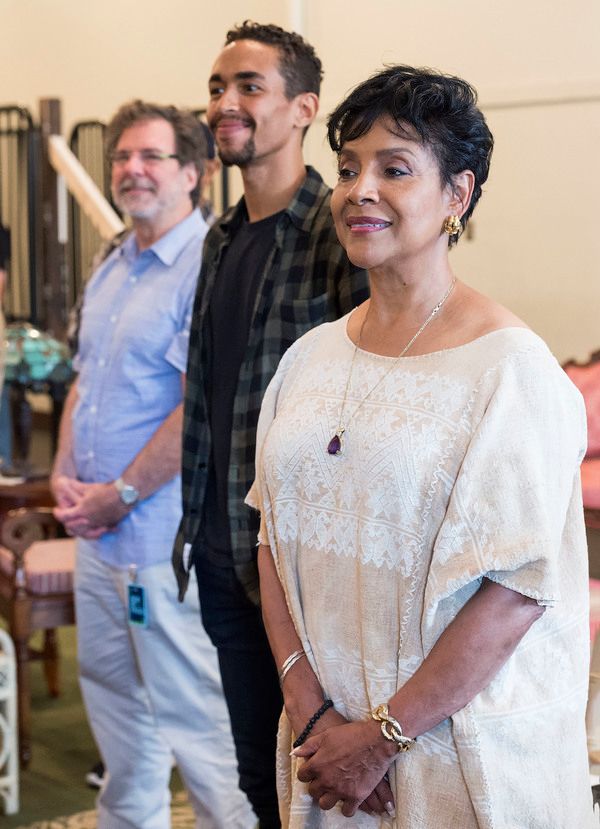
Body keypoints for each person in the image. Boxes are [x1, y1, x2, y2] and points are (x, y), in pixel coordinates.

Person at [247, 66, 593, 827]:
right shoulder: (309, 357)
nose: (359, 190)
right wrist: (310, 710)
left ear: (457, 194)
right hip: (326, 749)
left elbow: (516, 591)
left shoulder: (510, 372)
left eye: (395, 169)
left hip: (456, 753)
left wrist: (381, 737)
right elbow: (272, 534)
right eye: (347, 169)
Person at [173, 21, 369, 828]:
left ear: (303, 108)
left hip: (303, 564)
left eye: (249, 86)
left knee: (328, 786)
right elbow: (207, 397)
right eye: (217, 87)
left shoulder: (337, 231)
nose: (225, 103)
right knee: (262, 778)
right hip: (222, 549)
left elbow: (369, 398)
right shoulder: (220, 240)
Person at [51, 100, 253, 829]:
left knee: (196, 723)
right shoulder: (114, 263)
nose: (131, 169)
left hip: (158, 538)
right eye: (121, 156)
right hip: (98, 538)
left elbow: (196, 404)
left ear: (193, 173)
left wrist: (123, 492)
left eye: (151, 156)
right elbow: (84, 379)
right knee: (118, 721)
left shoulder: (207, 266)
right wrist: (63, 471)